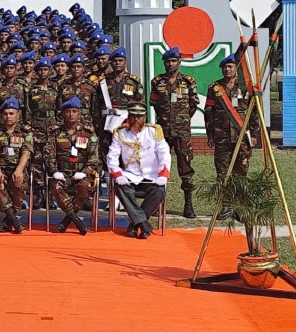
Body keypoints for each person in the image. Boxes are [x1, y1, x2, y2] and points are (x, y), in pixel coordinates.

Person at [204, 54, 260, 219]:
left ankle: (239, 208)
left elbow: (254, 113)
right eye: (225, 67)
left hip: (242, 137)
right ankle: (226, 206)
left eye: (231, 66)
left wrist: (254, 134)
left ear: (236, 68)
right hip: (222, 137)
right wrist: (210, 135)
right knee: (223, 173)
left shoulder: (246, 87)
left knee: (241, 173)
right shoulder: (214, 88)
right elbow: (209, 112)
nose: (227, 69)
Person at [106, 101, 170, 239]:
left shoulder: (154, 131)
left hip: (151, 175)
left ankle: (135, 225)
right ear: (128, 117)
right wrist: (117, 174)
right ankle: (144, 224)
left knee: (159, 191)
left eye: (140, 116)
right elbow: (112, 156)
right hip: (131, 175)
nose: (137, 119)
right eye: (133, 116)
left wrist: (163, 174)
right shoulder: (120, 133)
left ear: (145, 117)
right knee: (119, 186)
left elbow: (164, 154)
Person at [149, 46, 199, 217]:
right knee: (160, 166)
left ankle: (188, 205)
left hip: (182, 131)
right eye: (168, 61)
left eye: (173, 61)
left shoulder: (188, 81)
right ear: (164, 62)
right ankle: (157, 204)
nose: (170, 64)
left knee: (185, 167)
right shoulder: (157, 82)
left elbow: (193, 104)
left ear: (179, 62)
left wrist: (182, 119)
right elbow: (154, 103)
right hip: (162, 131)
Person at [44, 96, 99, 234]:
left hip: (81, 172)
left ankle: (68, 220)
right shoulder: (56, 132)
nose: (71, 114)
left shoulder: (87, 132)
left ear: (79, 113)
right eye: (68, 111)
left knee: (85, 187)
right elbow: (49, 153)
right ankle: (75, 219)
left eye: (74, 111)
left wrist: (85, 172)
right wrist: (54, 170)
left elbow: (94, 157)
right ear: (63, 114)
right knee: (55, 186)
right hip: (63, 172)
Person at [0, 97, 32, 234]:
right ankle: (13, 219)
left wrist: (19, 170)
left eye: (11, 113)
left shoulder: (25, 131)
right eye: (5, 114)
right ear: (1, 116)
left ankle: (7, 221)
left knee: (20, 184)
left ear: (18, 115)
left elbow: (26, 152)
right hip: (1, 169)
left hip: (17, 169)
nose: (8, 117)